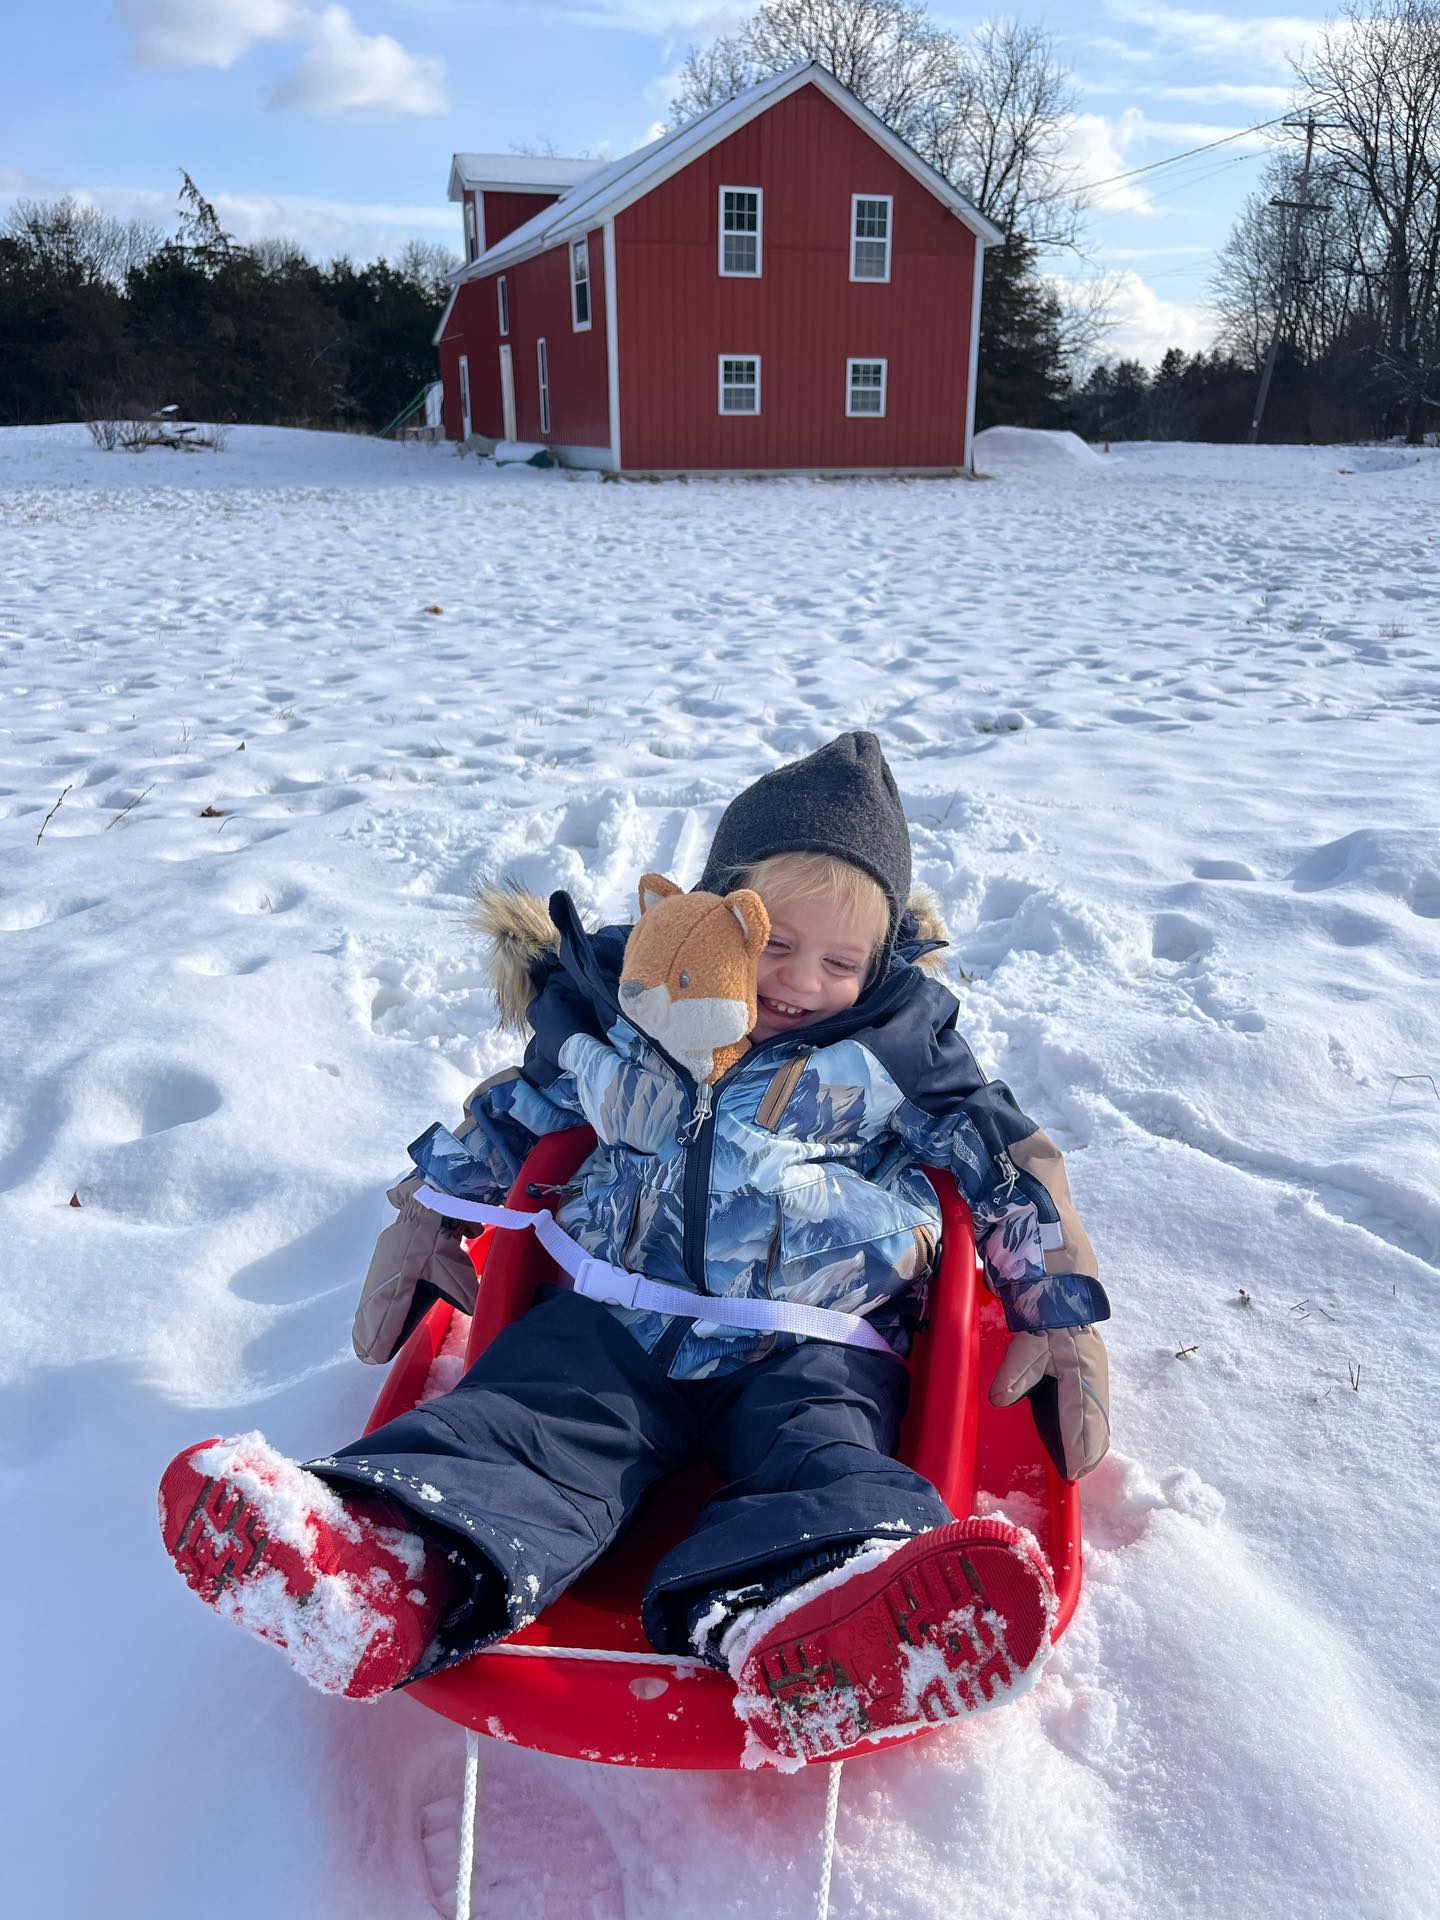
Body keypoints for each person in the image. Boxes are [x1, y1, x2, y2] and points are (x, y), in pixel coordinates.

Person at [159, 733, 1110, 1766]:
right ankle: (385, 1567)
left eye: (841, 962)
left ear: (879, 965)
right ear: (711, 918)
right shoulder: (629, 1025)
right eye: (776, 943)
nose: (802, 981)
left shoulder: (898, 1056)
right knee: (525, 1423)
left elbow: (1009, 1170)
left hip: (812, 1338)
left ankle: (816, 1612)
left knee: (823, 1458)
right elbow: (518, 1114)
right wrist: (431, 1213)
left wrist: (1055, 1314)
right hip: (615, 1311)